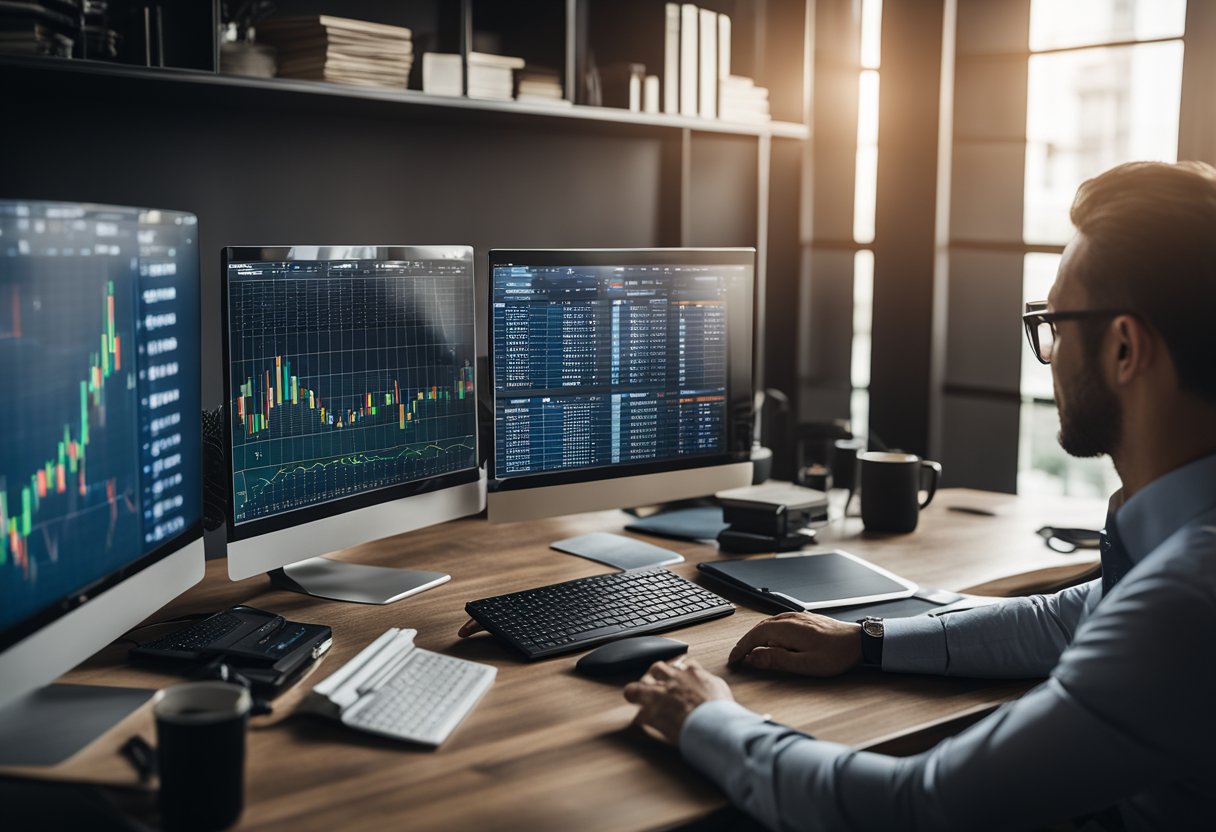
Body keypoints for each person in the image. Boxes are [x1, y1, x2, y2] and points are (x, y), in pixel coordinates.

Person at [625, 160, 1216, 831]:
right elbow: (1061, 621)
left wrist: (708, 718)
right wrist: (865, 641)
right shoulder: (1182, 553)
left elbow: (915, 808)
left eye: (1054, 323)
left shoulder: (1188, 599)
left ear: (1123, 347)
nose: (1047, 353)